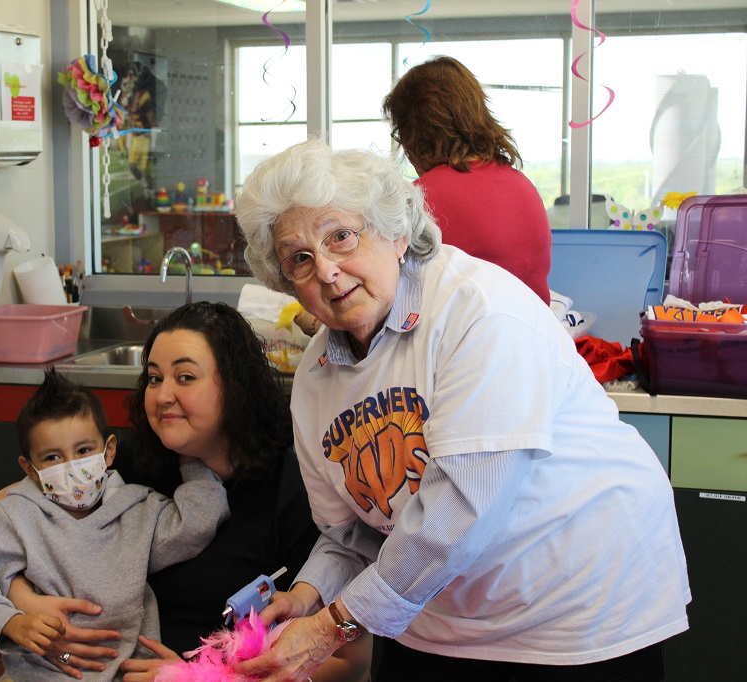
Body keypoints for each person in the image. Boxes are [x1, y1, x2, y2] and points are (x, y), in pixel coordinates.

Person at [232, 139, 690, 681]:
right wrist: (309, 595)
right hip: (431, 612)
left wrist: (334, 626)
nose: (328, 271)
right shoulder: (315, 376)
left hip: (576, 613)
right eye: (299, 259)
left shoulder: (481, 313)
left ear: (396, 234)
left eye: (341, 237)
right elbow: (350, 532)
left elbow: (459, 511)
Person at [0, 302, 372, 681]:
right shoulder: (128, 465)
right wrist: (28, 606)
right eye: (153, 378)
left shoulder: (293, 489)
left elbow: (350, 662)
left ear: (234, 387)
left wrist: (205, 678)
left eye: (185, 377)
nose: (163, 395)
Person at [0, 371, 230, 682]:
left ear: (108, 451)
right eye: (53, 457)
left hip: (127, 672)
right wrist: (12, 623)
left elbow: (197, 524)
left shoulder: (140, 510)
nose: (71, 466)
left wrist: (190, 459)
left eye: (83, 451)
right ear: (29, 468)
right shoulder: (14, 515)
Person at [383, 55, 552, 305]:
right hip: (537, 338)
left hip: (469, 341)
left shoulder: (420, 201)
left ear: (413, 134)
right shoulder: (523, 187)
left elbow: (385, 299)